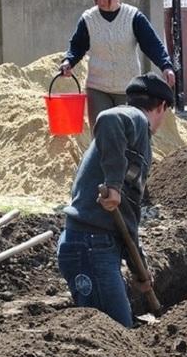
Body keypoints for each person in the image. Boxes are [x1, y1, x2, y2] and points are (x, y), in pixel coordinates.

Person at [56, 73, 174, 327]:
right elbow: (108, 118)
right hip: (89, 246)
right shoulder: (134, 118)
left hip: (96, 245)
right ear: (162, 106)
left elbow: (128, 215)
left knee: (119, 331)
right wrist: (113, 184)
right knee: (118, 332)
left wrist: (138, 268)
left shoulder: (133, 137)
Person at [60, 0, 175, 130]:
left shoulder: (133, 17)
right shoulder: (88, 19)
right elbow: (77, 46)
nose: (101, 1)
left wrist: (166, 66)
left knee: (128, 135)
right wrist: (68, 61)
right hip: (97, 87)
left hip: (128, 89)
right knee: (102, 137)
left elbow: (152, 44)